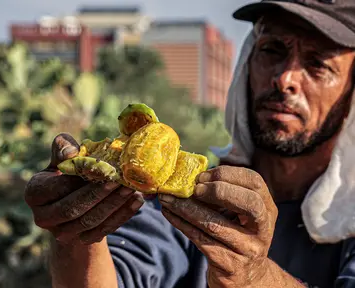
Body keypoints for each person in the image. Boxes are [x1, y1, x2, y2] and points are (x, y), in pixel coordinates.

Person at [24, 1, 355, 287]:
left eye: (318, 64)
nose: (285, 79)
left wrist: (253, 278)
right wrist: (77, 240)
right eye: (272, 50)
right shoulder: (190, 193)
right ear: (247, 65)